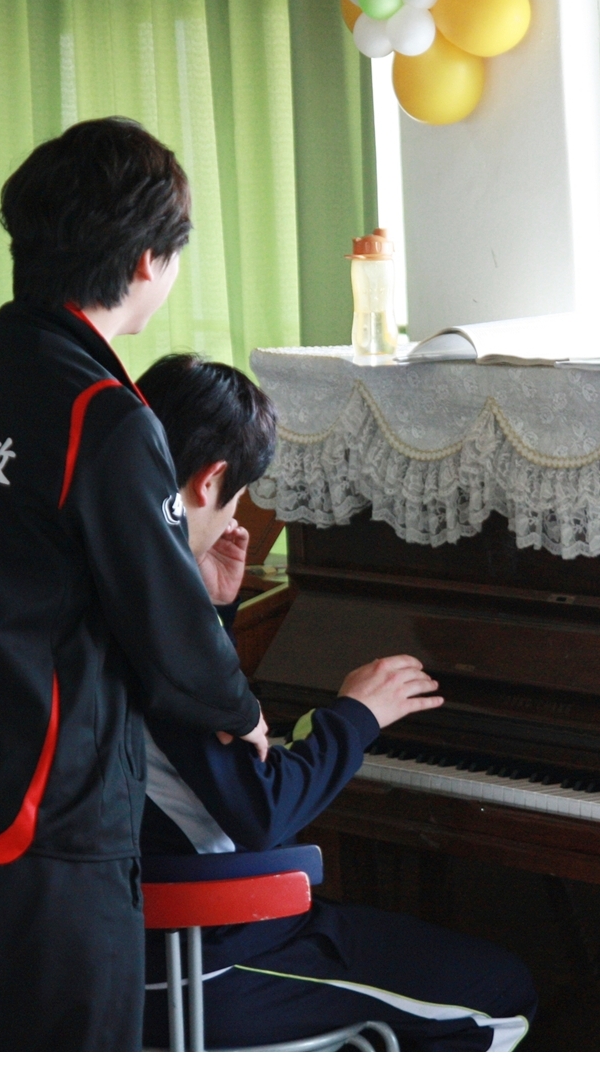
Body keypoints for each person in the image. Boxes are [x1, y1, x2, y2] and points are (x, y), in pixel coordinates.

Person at [0, 119, 271, 1050]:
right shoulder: (104, 415)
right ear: (145, 262)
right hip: (40, 835)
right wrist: (240, 710)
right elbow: (167, 637)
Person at [135, 353, 538, 1051]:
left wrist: (216, 610)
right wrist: (358, 715)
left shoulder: (125, 581)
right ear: (210, 481)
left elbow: (184, 739)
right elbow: (260, 812)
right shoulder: (164, 623)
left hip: (144, 945)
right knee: (503, 995)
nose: (232, 518)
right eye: (235, 500)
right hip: (208, 963)